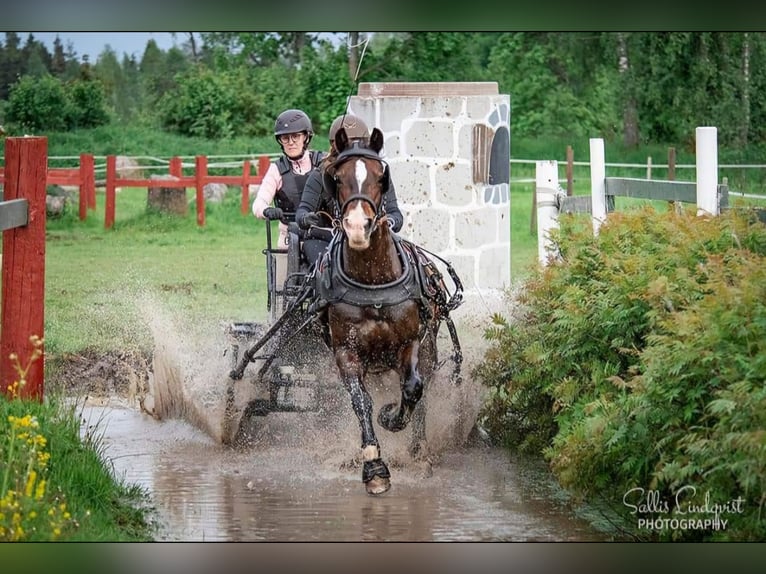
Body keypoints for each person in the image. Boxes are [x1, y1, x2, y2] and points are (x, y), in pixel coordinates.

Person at [295, 113, 404, 266]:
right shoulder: (320, 174)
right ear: (336, 145)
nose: (354, 148)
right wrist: (306, 218)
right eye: (349, 143)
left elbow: (395, 213)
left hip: (372, 237)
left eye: (358, 143)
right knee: (318, 270)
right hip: (326, 239)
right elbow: (302, 211)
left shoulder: (375, 173)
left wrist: (390, 222)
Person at [252, 108, 326, 249]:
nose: (291, 142)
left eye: (295, 136)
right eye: (285, 138)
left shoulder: (323, 163)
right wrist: (266, 210)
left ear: (306, 137)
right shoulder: (276, 169)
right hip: (289, 240)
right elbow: (259, 202)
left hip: (324, 237)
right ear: (280, 141)